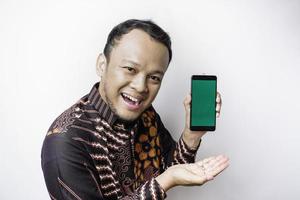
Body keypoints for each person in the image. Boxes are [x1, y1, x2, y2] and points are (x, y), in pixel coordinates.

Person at [41, 19, 229, 200]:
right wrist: (164, 182)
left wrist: (192, 135)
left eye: (154, 77)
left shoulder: (145, 114)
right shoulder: (64, 142)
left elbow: (172, 168)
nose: (141, 87)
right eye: (130, 69)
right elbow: (168, 177)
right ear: (101, 65)